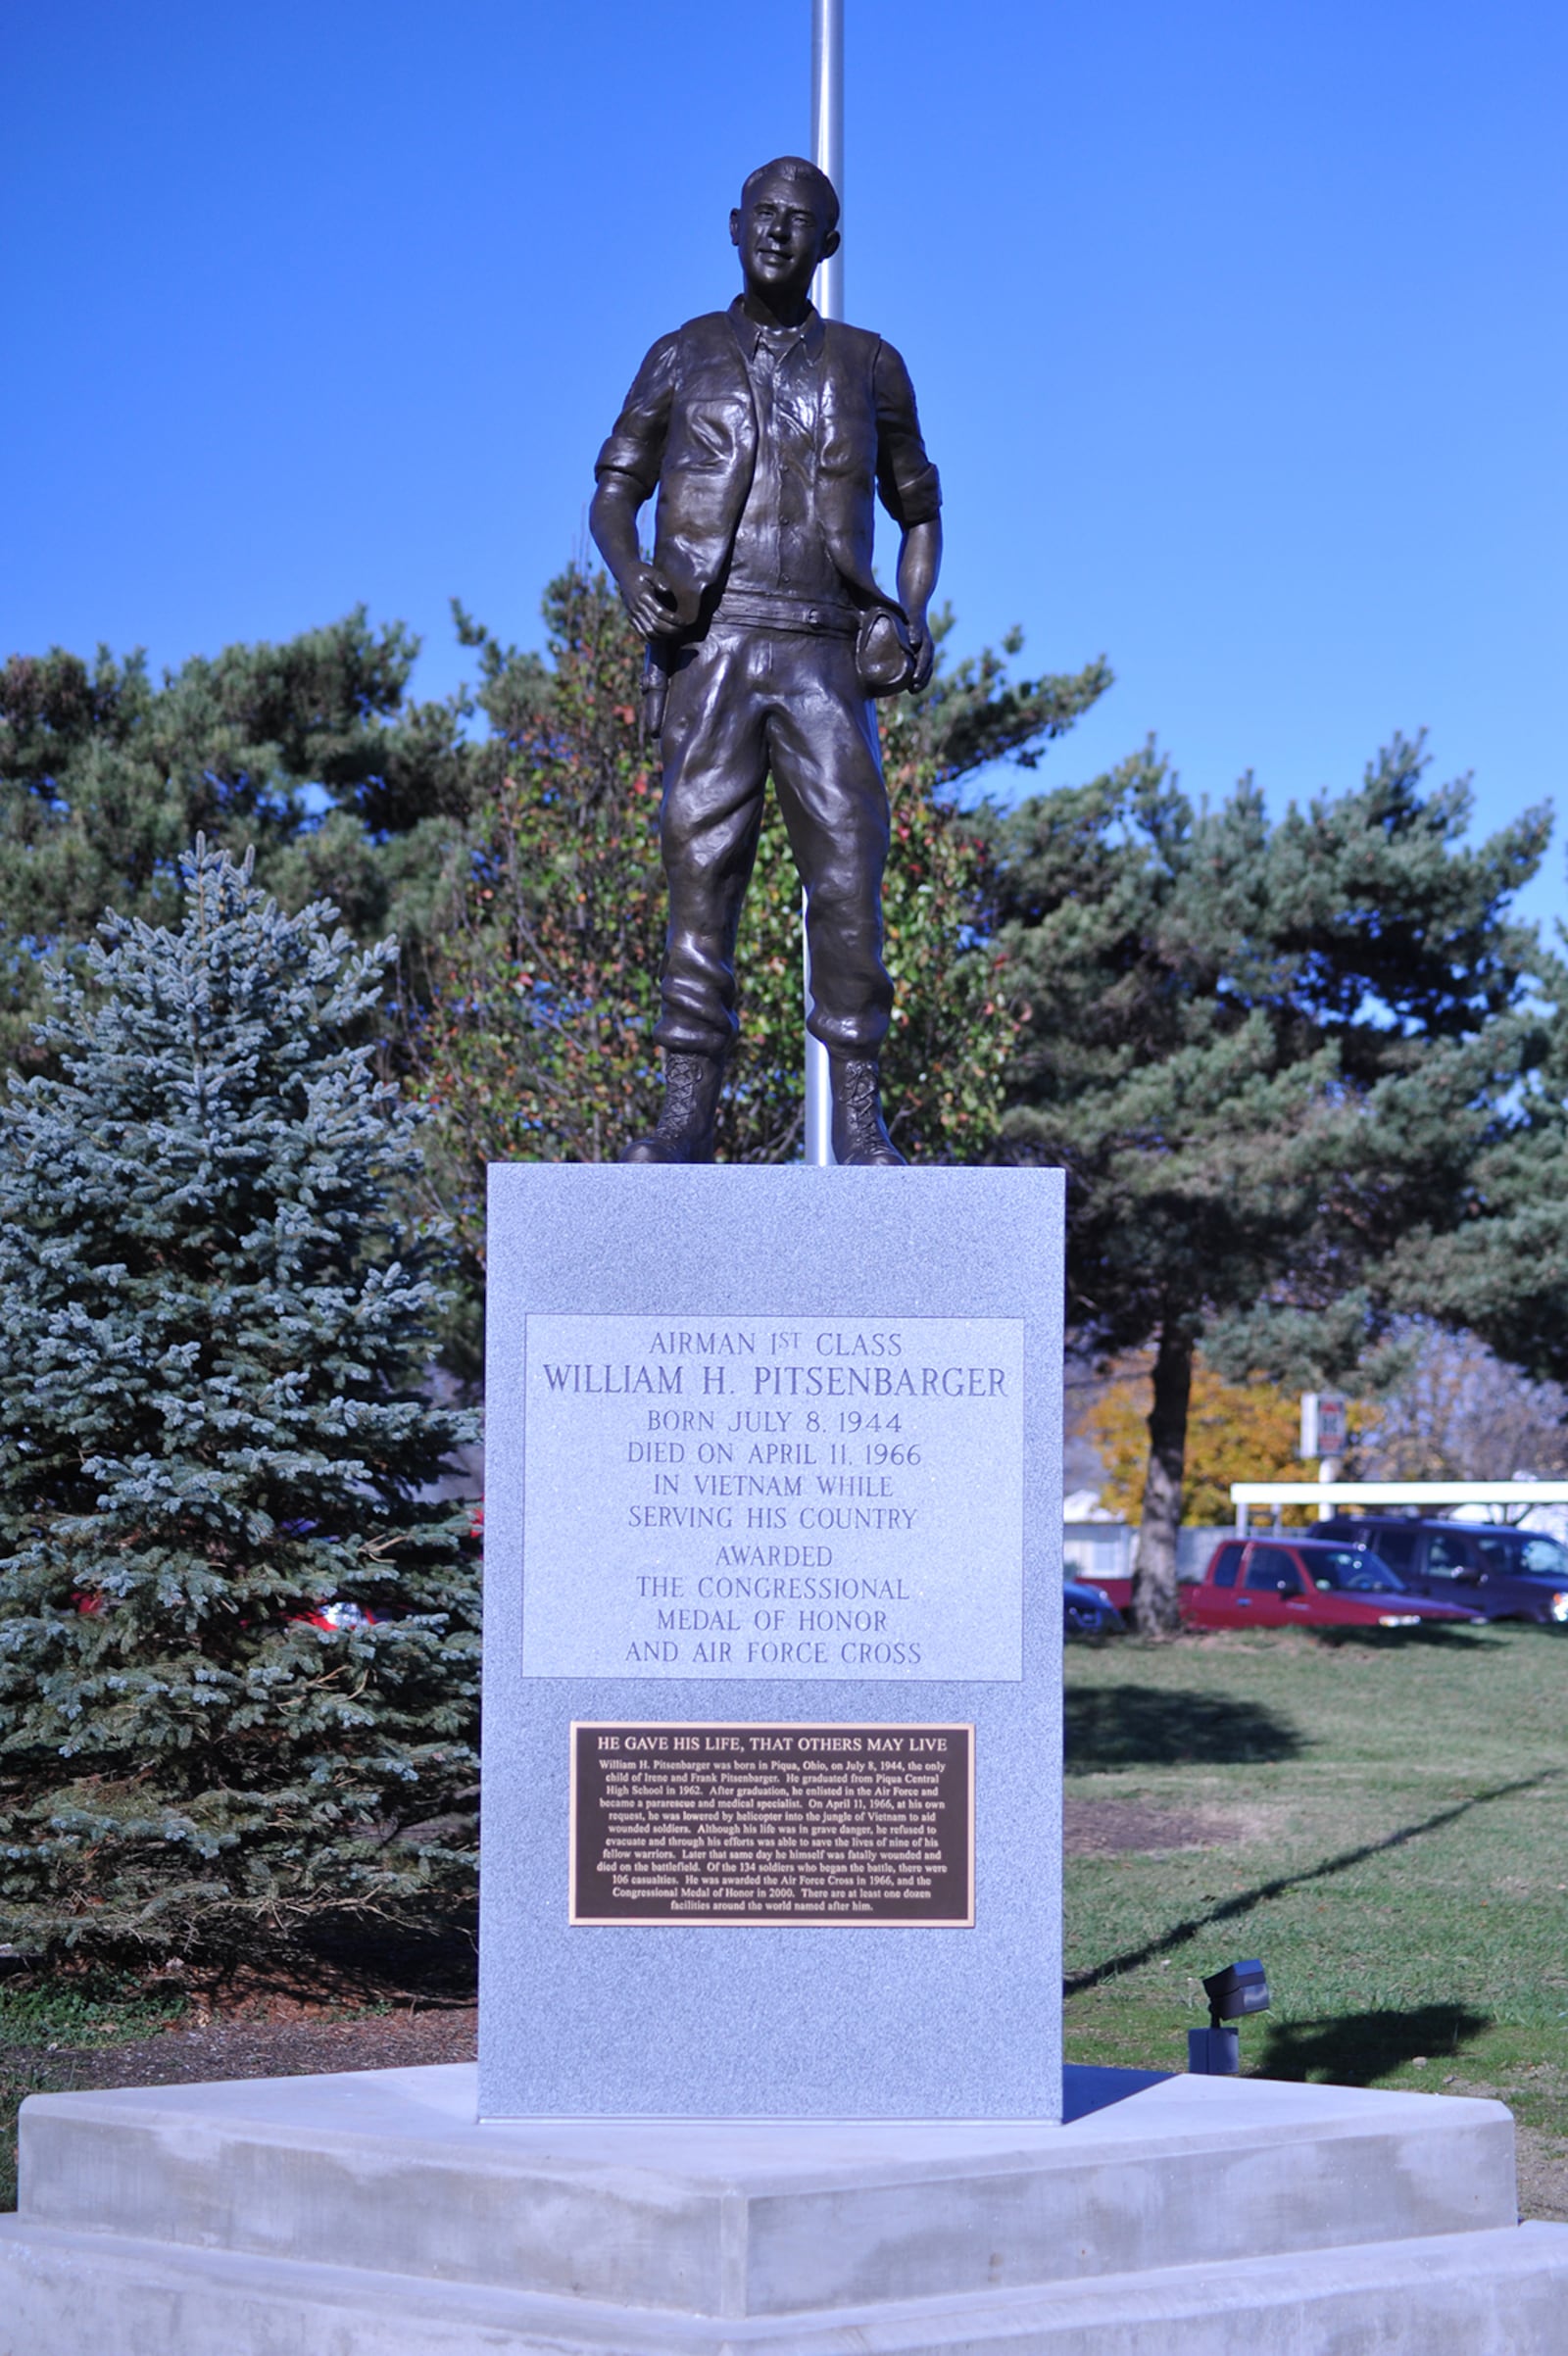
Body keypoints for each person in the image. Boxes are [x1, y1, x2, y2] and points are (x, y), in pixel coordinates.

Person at [589, 155, 943, 1165]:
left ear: (829, 244)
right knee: (701, 874)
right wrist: (628, 576)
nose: (781, 231)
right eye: (766, 215)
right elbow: (613, 492)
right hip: (713, 647)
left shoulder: (871, 364)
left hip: (824, 653)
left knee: (847, 878)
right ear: (734, 226)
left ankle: (861, 1118)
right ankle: (685, 1112)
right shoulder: (679, 354)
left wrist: (909, 613)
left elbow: (920, 511)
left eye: (804, 220)